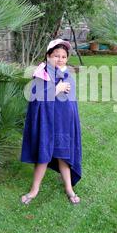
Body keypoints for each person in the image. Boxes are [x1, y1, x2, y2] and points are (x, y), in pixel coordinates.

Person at [20, 39, 82, 205]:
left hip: (63, 124)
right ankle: (34, 189)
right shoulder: (41, 74)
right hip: (47, 124)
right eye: (56, 56)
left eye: (63, 56)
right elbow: (37, 99)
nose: (60, 59)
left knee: (63, 156)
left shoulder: (67, 75)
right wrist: (57, 89)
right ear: (48, 56)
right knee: (43, 156)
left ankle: (69, 188)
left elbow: (70, 103)